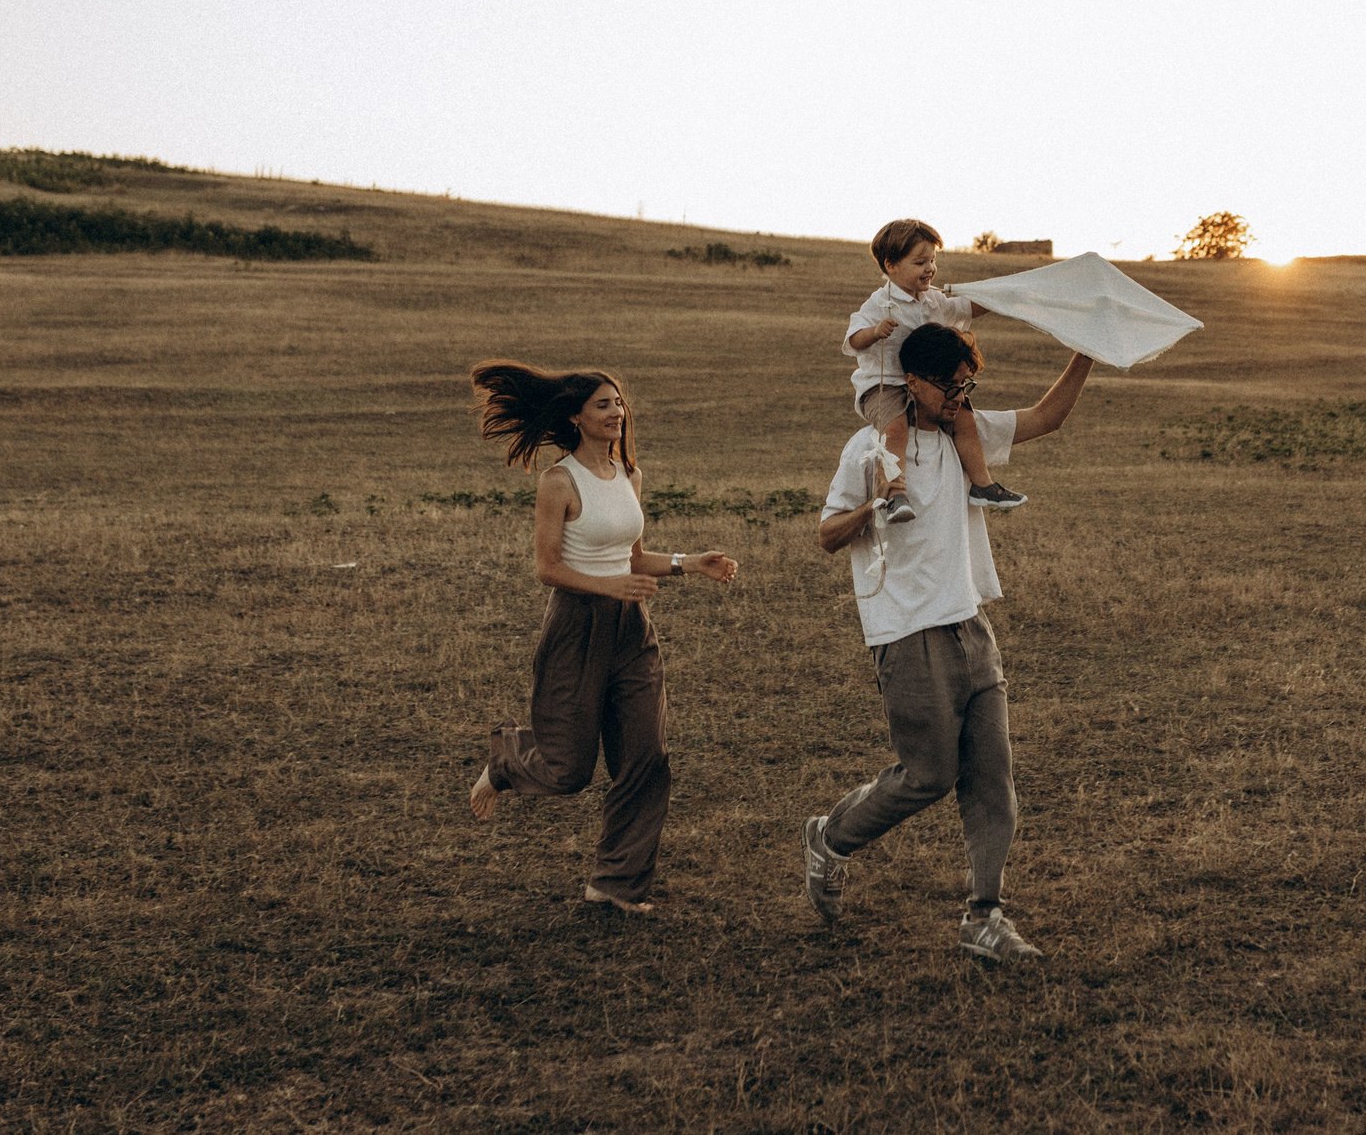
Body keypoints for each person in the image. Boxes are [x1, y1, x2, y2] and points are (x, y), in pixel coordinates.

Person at [801, 322, 1093, 962]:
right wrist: (873, 506)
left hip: (969, 622)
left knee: (993, 780)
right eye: (951, 384)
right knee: (929, 775)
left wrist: (1085, 350)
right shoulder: (871, 448)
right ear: (912, 381)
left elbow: (1048, 417)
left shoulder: (968, 434)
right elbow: (826, 536)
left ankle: (984, 916)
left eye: (970, 383)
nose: (962, 395)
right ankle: (832, 838)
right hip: (906, 631)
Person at [463, 360, 739, 915]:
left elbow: (635, 558)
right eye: (603, 405)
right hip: (575, 627)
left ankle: (616, 884)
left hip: (631, 629)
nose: (616, 412)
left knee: (647, 758)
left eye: (618, 403)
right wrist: (609, 586)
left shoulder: (630, 476)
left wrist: (690, 563)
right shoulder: (558, 481)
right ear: (576, 417)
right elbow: (548, 567)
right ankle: (505, 762)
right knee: (567, 770)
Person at [845, 218, 1026, 522]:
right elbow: (853, 339)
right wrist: (875, 331)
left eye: (933, 260)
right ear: (891, 265)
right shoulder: (878, 304)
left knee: (965, 420)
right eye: (920, 262)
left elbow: (966, 308)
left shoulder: (934, 301)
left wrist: (999, 297)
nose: (930, 268)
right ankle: (893, 494)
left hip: (928, 387)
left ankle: (983, 484)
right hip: (886, 386)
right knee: (895, 429)